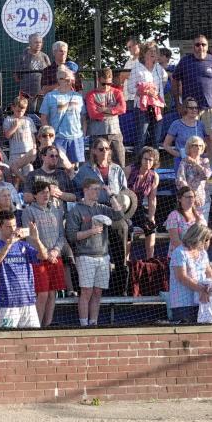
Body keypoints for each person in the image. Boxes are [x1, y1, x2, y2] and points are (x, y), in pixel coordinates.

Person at [65, 177, 125, 326]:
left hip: (103, 256)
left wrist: (111, 195)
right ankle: (83, 324)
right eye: (94, 189)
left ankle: (94, 323)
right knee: (86, 292)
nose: (97, 192)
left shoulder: (101, 207)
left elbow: (119, 214)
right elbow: (72, 236)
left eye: (99, 189)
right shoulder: (76, 211)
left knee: (98, 292)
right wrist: (90, 231)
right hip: (85, 256)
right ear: (85, 190)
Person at [75, 138, 130, 295]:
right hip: (94, 212)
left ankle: (120, 287)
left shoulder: (117, 169)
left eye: (107, 148)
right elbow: (77, 191)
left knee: (122, 228)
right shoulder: (85, 170)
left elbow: (125, 192)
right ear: (93, 151)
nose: (105, 151)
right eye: (101, 149)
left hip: (114, 211)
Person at [0, 212, 49, 329]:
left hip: (28, 300)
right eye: (8, 226)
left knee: (34, 338)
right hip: (8, 302)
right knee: (8, 339)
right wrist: (9, 244)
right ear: (0, 227)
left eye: (14, 226)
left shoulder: (24, 245)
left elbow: (44, 256)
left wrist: (36, 240)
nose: (13, 230)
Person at [23, 180, 66, 327]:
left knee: (52, 293)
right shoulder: (28, 212)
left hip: (55, 257)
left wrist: (55, 251)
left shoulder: (57, 210)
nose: (45, 195)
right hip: (38, 259)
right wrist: (45, 253)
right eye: (42, 192)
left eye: (47, 192)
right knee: (42, 294)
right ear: (35, 195)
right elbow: (29, 237)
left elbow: (62, 235)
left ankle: (48, 325)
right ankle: (36, 326)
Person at [172, 35, 212, 131]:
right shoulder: (185, 61)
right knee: (190, 136)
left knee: (209, 137)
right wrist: (178, 103)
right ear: (193, 47)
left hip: (210, 107)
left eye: (203, 44)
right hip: (190, 107)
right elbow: (175, 79)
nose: (201, 47)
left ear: (207, 46)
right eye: (197, 44)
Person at [169, 222, 212, 324]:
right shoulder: (179, 252)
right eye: (206, 240)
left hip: (202, 301)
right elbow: (181, 277)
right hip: (183, 303)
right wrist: (201, 289)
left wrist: (208, 286)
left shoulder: (203, 253)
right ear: (198, 238)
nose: (208, 243)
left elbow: (209, 273)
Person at [39, 68, 86, 166]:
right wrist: (49, 137)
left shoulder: (78, 96)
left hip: (76, 138)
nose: (69, 82)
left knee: (76, 168)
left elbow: (83, 118)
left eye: (70, 80)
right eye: (66, 79)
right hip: (58, 138)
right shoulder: (50, 96)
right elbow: (43, 117)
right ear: (59, 80)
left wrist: (83, 134)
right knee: (59, 166)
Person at [126, 41, 167, 151]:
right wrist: (145, 92)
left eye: (155, 51)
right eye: (150, 51)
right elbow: (130, 89)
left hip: (157, 107)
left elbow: (163, 82)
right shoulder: (137, 68)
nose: (153, 53)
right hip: (141, 108)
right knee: (141, 138)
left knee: (156, 139)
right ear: (144, 53)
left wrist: (158, 98)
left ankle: (154, 166)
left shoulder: (159, 69)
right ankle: (138, 165)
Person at [85, 67, 127, 170]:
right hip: (96, 134)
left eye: (109, 84)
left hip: (115, 132)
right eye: (104, 84)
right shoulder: (91, 95)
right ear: (98, 80)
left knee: (120, 164)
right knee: (95, 165)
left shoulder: (117, 92)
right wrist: (113, 111)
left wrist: (105, 110)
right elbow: (93, 114)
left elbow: (122, 109)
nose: (106, 87)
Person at [126, 146, 161, 261]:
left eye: (151, 160)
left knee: (151, 227)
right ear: (140, 159)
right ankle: (125, 261)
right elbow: (119, 193)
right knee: (128, 229)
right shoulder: (129, 170)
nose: (147, 162)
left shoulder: (154, 176)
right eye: (145, 159)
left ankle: (149, 259)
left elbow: (152, 199)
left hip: (139, 207)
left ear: (154, 162)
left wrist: (152, 217)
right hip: (124, 208)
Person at [176, 136, 212, 223]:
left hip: (203, 200)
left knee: (202, 228)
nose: (198, 147)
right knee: (188, 227)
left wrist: (194, 162)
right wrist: (191, 196)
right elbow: (180, 180)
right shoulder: (184, 162)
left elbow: (206, 175)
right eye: (195, 145)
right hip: (188, 200)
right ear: (189, 147)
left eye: (200, 145)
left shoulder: (205, 161)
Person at [166, 186, 207, 257]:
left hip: (197, 255)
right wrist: (190, 253)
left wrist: (199, 253)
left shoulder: (200, 216)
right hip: (179, 257)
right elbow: (175, 241)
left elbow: (206, 238)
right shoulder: (173, 215)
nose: (191, 199)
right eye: (187, 197)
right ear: (179, 199)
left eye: (192, 197)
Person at [13, 33, 50, 109]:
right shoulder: (23, 57)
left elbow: (50, 74)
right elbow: (16, 77)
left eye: (40, 42)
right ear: (30, 43)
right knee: (30, 116)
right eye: (36, 42)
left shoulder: (45, 57)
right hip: (27, 94)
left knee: (42, 115)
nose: (39, 44)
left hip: (43, 93)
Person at [2, 95, 37, 170]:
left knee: (29, 173)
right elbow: (7, 135)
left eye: (23, 110)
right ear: (13, 107)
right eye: (18, 111)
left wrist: (34, 149)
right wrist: (15, 126)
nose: (20, 113)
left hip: (28, 153)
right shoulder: (8, 120)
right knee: (15, 175)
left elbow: (32, 136)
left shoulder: (29, 120)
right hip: (15, 154)